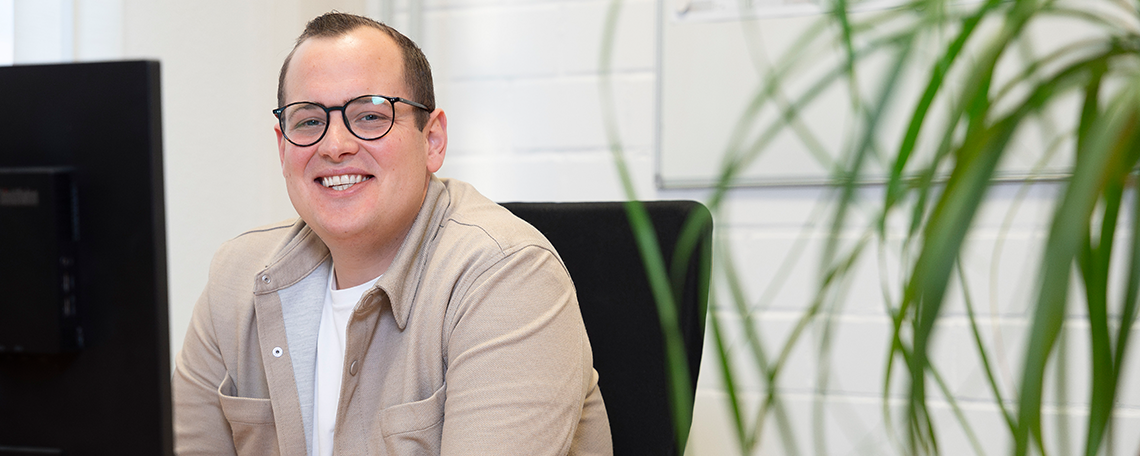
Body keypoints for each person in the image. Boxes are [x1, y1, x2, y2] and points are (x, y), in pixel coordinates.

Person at [172, 12, 612, 455]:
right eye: (308, 122)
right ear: (283, 146)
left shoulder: (508, 276)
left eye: (369, 115)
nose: (334, 145)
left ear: (433, 139)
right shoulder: (236, 278)